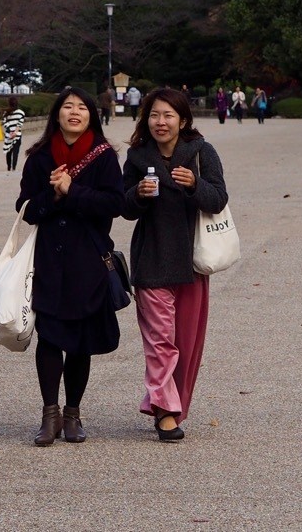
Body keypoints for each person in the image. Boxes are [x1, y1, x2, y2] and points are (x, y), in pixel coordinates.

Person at [15, 86, 124, 446]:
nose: (74, 112)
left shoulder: (105, 157)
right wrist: (54, 194)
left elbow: (113, 204)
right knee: (49, 337)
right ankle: (50, 414)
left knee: (79, 341)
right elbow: (26, 209)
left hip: (87, 261)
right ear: (57, 114)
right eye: (67, 107)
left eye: (82, 107)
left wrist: (73, 190)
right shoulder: (39, 156)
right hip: (48, 259)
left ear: (92, 115)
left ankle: (73, 413)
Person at [121, 87, 229, 441]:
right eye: (154, 115)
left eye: (168, 116)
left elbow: (218, 198)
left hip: (191, 262)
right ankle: (166, 411)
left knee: (185, 341)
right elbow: (124, 208)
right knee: (160, 341)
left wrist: (195, 184)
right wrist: (138, 195)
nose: (160, 122)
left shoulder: (201, 153)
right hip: (151, 259)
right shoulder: (137, 156)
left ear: (183, 120)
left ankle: (173, 402)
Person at [2, 96, 26, 172]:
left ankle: (8, 166)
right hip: (17, 135)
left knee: (8, 151)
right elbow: (20, 124)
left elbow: (5, 124)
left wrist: (10, 132)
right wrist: (15, 132)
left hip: (8, 135)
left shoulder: (6, 113)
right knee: (16, 151)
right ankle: (14, 167)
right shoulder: (21, 113)